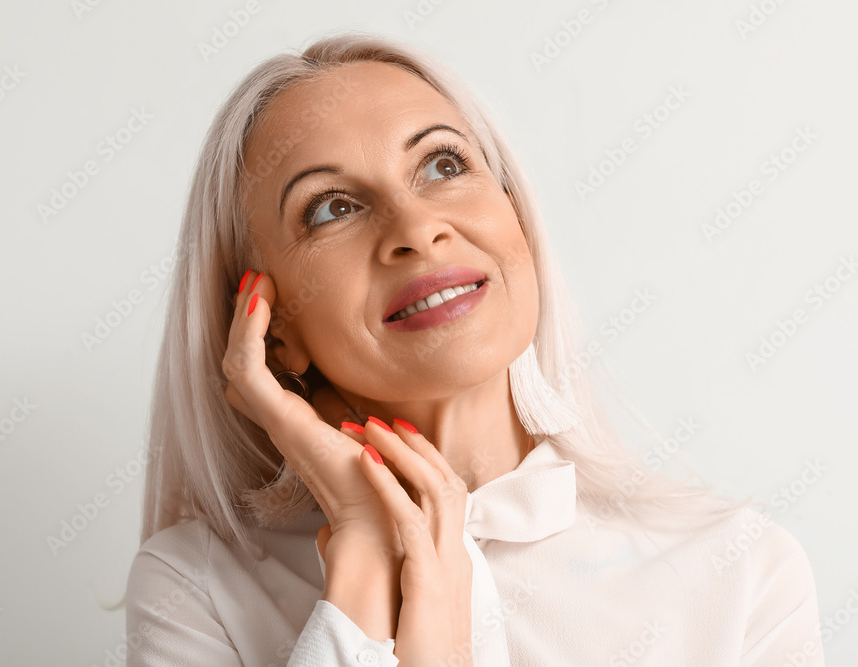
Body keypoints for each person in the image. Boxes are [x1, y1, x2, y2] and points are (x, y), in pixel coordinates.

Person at [125, 31, 823, 666]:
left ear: (514, 214)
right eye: (333, 206)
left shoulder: (741, 571)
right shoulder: (198, 588)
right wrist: (365, 559)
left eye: (442, 164)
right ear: (272, 328)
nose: (418, 226)